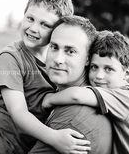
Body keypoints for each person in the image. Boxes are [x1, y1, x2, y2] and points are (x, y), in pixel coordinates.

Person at [0, 0, 91, 154]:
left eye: (45, 24)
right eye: (30, 18)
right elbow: (18, 112)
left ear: (57, 31)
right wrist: (55, 138)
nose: (33, 28)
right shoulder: (12, 57)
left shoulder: (56, 62)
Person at [41, 30, 129, 154]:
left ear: (127, 72)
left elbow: (76, 96)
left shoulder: (124, 97)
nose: (99, 76)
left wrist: (49, 99)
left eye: (109, 69)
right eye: (94, 67)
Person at [28, 16, 113, 154]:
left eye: (71, 51)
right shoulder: (60, 93)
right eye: (54, 47)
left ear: (88, 59)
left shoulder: (70, 124)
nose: (58, 59)